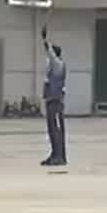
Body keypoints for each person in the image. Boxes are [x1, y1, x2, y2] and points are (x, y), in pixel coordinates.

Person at [42, 39, 68, 167]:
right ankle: (55, 154)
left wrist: (45, 41)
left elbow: (51, 55)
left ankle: (59, 157)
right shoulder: (53, 66)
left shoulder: (58, 64)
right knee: (52, 130)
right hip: (51, 101)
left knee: (56, 130)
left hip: (56, 102)